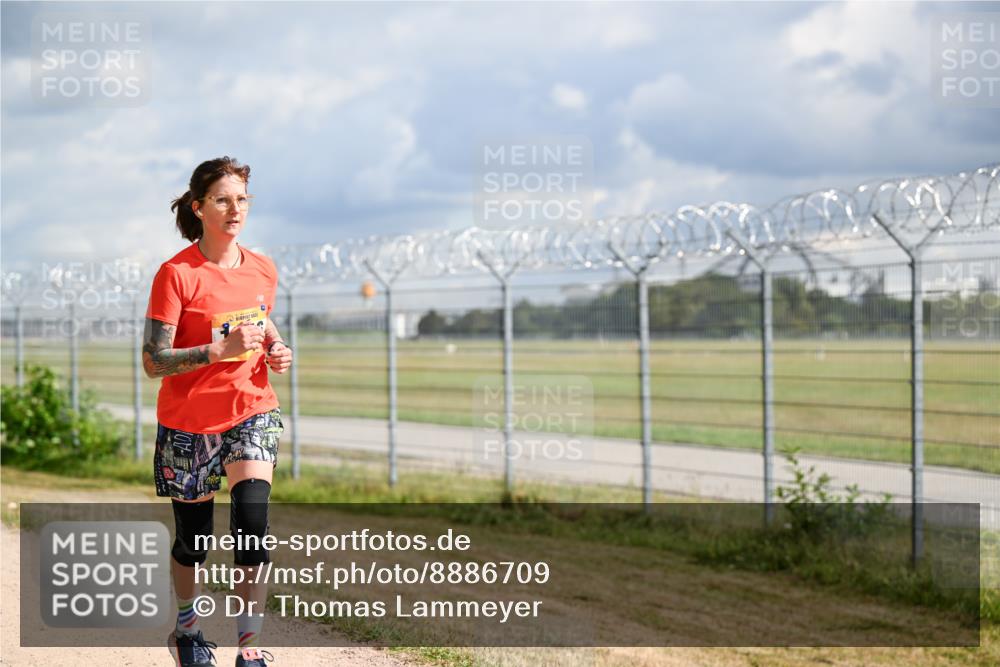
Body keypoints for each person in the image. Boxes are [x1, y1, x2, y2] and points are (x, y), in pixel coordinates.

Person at [144, 156, 293, 667]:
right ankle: (187, 628)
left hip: (251, 409)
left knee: (252, 523)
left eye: (242, 199)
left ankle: (249, 650)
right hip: (188, 423)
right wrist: (216, 352)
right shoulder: (177, 274)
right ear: (199, 207)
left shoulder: (263, 268)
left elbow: (261, 321)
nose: (235, 209)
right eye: (223, 200)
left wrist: (277, 348)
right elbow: (153, 360)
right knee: (194, 542)